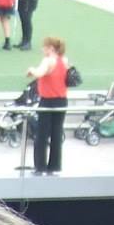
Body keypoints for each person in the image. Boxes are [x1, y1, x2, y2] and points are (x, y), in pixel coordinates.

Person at [27, 35, 71, 175]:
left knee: (41, 135)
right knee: (57, 134)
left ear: (50, 48)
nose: (42, 49)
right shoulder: (64, 60)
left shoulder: (48, 61)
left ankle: (40, 167)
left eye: (44, 47)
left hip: (47, 101)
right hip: (62, 100)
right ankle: (54, 166)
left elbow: (39, 73)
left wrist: (31, 70)